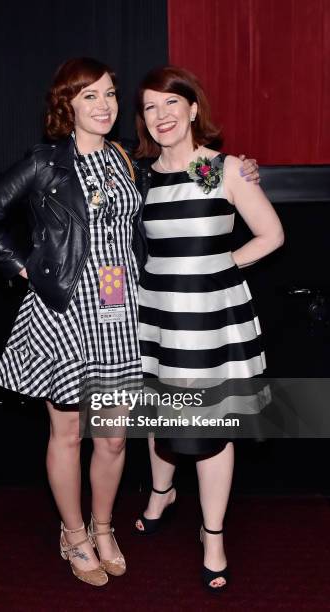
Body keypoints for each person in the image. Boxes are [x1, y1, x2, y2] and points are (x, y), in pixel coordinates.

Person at [0, 56, 259, 588]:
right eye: (89, 97)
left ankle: (104, 528)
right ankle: (73, 533)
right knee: (68, 430)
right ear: (67, 106)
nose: (103, 106)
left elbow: (198, 170)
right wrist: (27, 269)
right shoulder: (46, 162)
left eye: (109, 95)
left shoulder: (130, 161)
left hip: (119, 311)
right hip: (63, 312)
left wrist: (237, 167)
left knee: (114, 438)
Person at [133, 65, 284, 591]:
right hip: (156, 312)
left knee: (213, 423)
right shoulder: (139, 174)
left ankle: (212, 533)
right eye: (151, 107)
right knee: (160, 408)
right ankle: (161, 494)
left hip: (211, 318)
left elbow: (271, 235)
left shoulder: (221, 170)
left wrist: (225, 266)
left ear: (193, 109)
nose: (162, 115)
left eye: (171, 103)